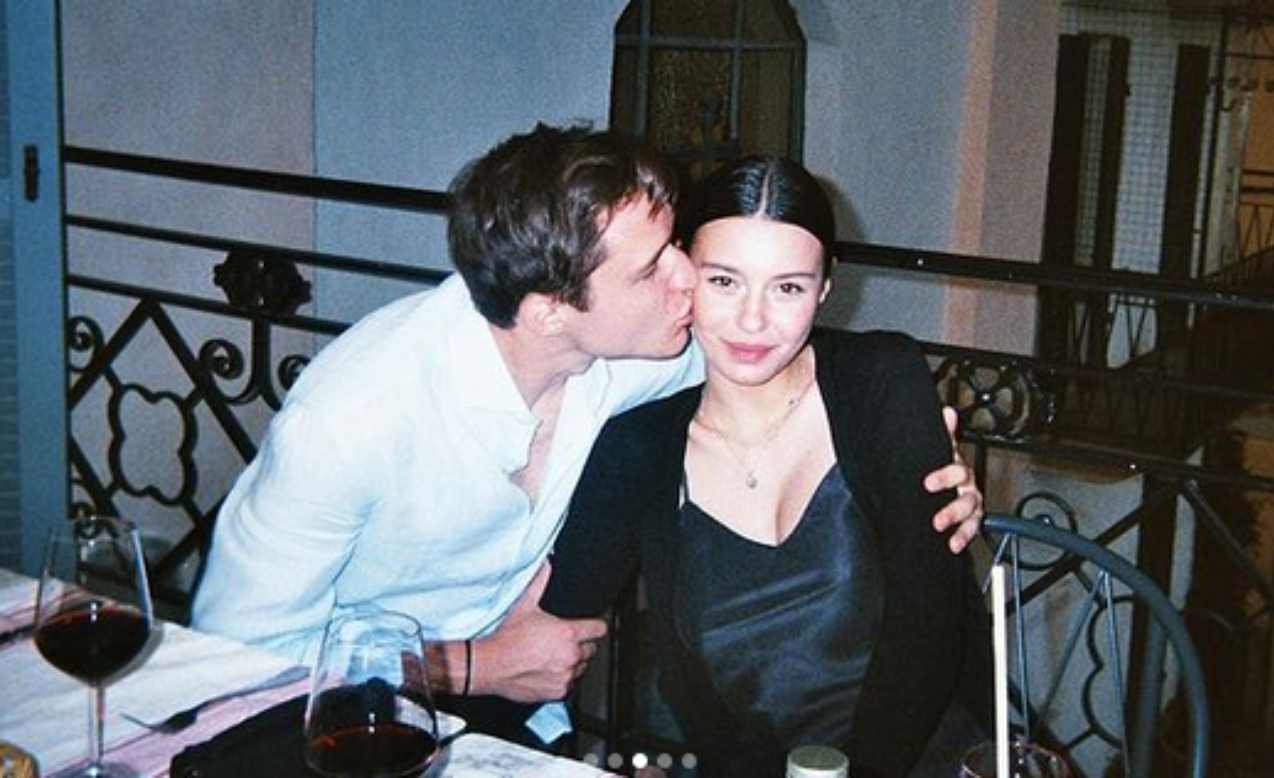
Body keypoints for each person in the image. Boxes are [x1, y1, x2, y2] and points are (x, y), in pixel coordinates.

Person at [191, 125, 984, 751]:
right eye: (655, 268)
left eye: (678, 248)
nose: (688, 279)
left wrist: (913, 441)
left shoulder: (634, 352)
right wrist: (472, 666)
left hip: (517, 722)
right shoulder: (350, 422)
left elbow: (778, 347)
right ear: (549, 311)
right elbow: (234, 659)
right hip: (337, 727)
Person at [543, 156, 993, 777]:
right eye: (724, 281)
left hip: (928, 760)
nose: (752, 320)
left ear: (824, 290)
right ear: (683, 274)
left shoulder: (881, 381)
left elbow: (929, 629)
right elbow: (557, 616)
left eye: (788, 288)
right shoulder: (637, 447)